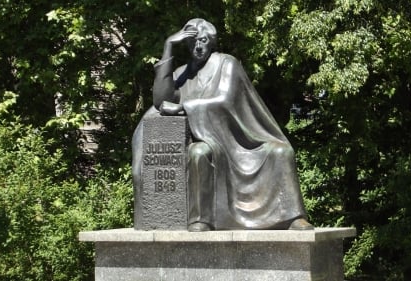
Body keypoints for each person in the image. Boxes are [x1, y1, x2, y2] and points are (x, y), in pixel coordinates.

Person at [132, 18, 313, 231]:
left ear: (212, 42)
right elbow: (160, 100)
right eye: (192, 43)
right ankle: (200, 220)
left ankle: (292, 217)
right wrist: (168, 46)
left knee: (281, 152)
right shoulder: (182, 73)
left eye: (203, 41)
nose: (198, 47)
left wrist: (183, 107)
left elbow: (225, 100)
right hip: (205, 140)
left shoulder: (227, 64)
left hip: (237, 141)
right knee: (198, 153)